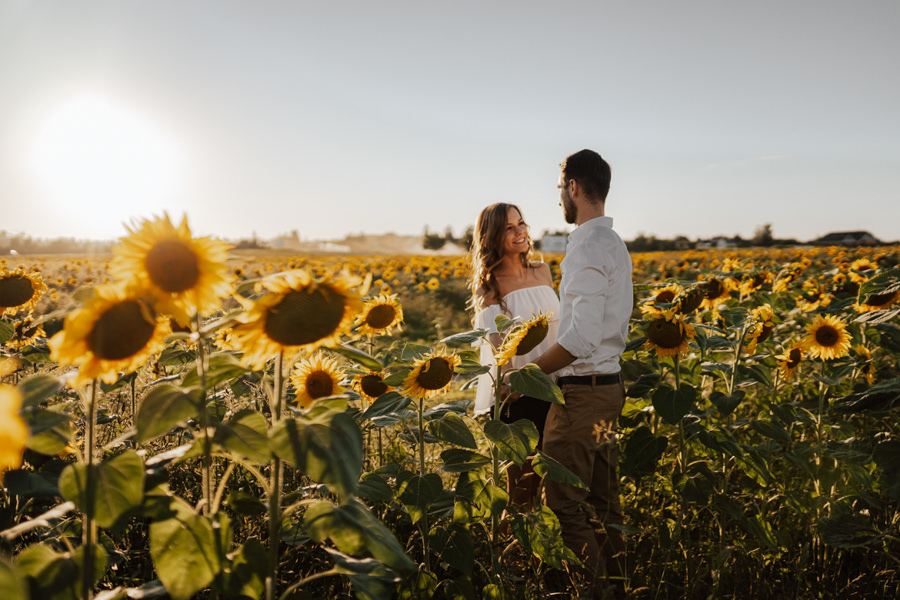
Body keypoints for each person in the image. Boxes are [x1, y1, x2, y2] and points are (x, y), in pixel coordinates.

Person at [532, 150, 633, 597]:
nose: (559, 200)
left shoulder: (586, 246)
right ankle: (622, 584)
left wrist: (527, 375)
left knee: (561, 503)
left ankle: (595, 592)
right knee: (604, 501)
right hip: (608, 390)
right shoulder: (613, 244)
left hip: (581, 396)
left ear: (574, 187)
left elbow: (579, 340)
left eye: (561, 190)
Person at [469, 202, 560, 509]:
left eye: (521, 223)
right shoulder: (490, 287)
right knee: (523, 486)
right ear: (492, 236)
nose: (520, 231)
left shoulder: (542, 271)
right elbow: (498, 348)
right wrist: (512, 382)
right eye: (509, 227)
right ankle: (514, 552)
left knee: (557, 483)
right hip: (520, 392)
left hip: (558, 384)